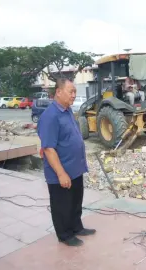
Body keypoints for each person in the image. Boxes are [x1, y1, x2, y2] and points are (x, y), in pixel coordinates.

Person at [37, 78, 96, 247]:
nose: (74, 95)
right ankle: (64, 235)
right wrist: (61, 173)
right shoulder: (50, 116)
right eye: (71, 91)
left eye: (75, 91)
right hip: (61, 171)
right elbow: (48, 148)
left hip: (75, 168)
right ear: (58, 92)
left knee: (75, 201)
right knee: (62, 205)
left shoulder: (67, 110)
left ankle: (76, 227)